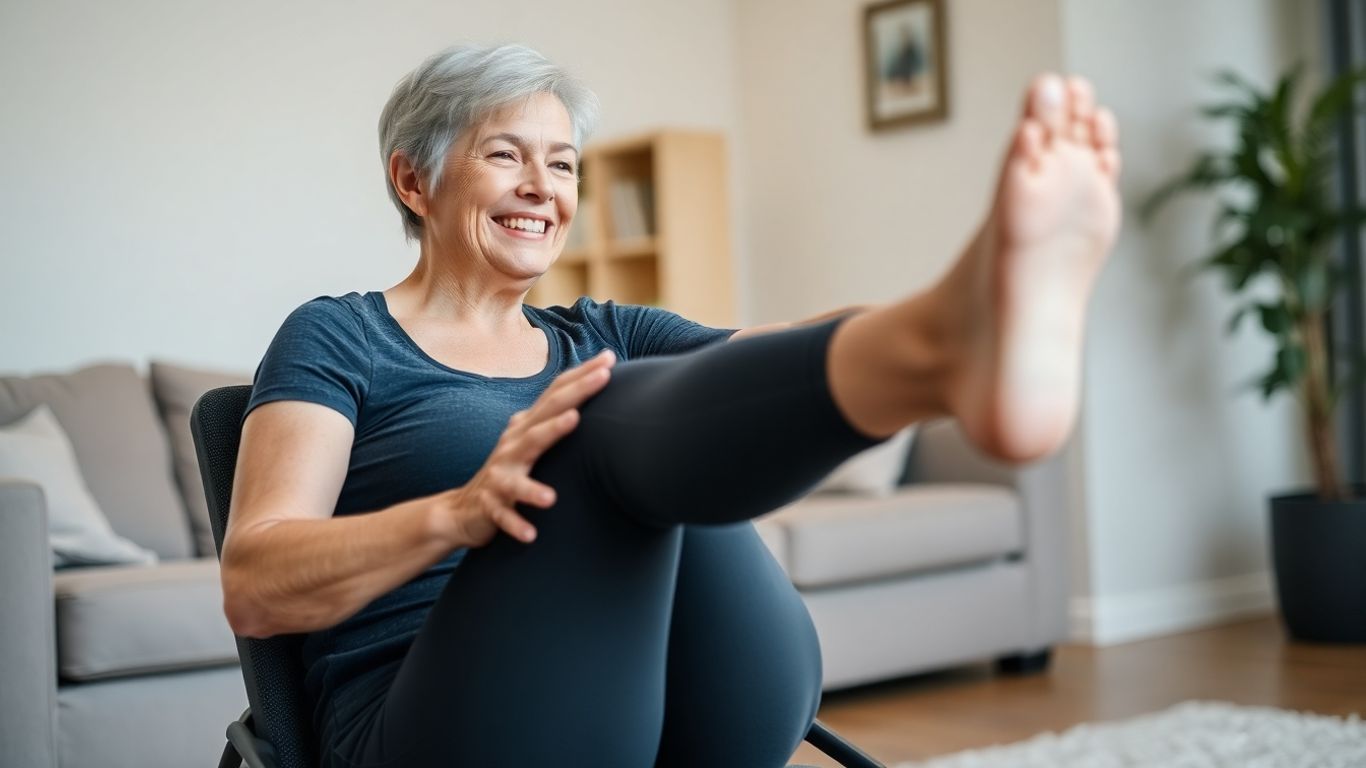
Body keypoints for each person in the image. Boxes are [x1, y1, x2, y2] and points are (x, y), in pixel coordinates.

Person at [221, 43, 1121, 768]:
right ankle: (943, 342)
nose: (544, 187)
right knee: (599, 423)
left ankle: (949, 334)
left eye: (563, 164)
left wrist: (932, 305)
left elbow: (775, 360)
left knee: (676, 406)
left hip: (714, 713)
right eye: (505, 155)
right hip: (426, 730)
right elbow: (255, 583)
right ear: (414, 182)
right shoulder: (339, 338)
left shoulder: (603, 329)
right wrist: (461, 512)